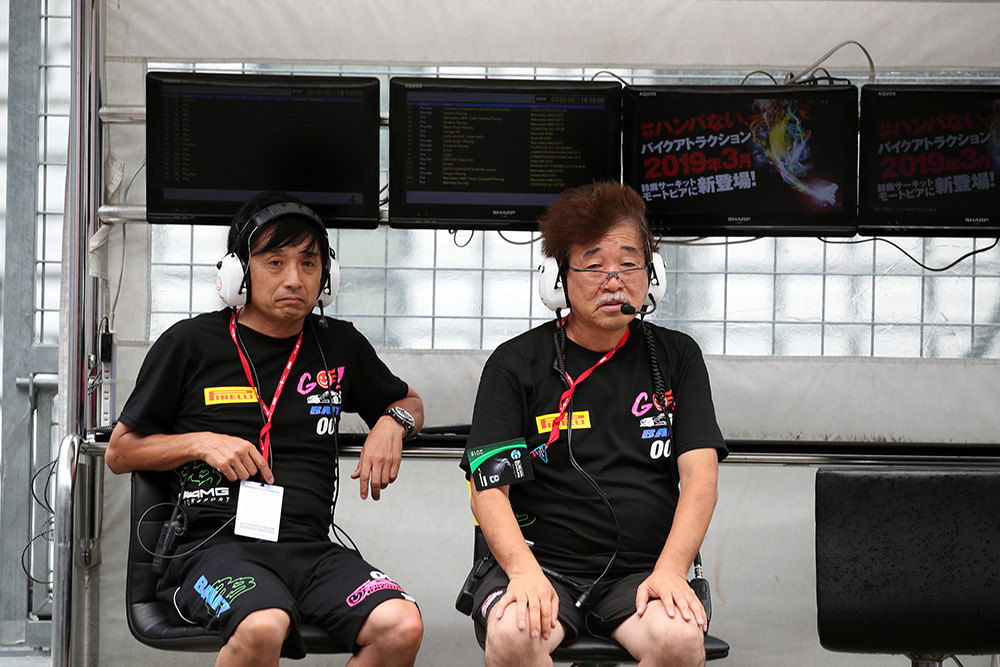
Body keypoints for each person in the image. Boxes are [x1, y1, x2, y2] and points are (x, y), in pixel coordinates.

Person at [106, 191, 424, 666]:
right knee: (263, 623)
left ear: (327, 277)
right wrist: (201, 443)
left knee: (401, 625)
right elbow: (120, 452)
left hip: (309, 549)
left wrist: (392, 423)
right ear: (239, 272)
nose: (294, 279)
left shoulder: (340, 345)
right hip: (213, 550)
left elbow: (409, 402)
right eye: (275, 262)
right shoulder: (189, 344)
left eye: (309, 263)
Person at [460, 182, 727, 667]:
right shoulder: (515, 364)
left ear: (653, 275)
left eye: (628, 263)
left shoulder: (678, 357)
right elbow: (489, 488)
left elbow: (700, 479)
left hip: (642, 573)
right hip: (539, 565)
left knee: (678, 639)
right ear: (557, 278)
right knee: (515, 635)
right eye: (592, 264)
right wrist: (522, 571)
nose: (613, 280)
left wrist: (672, 570)